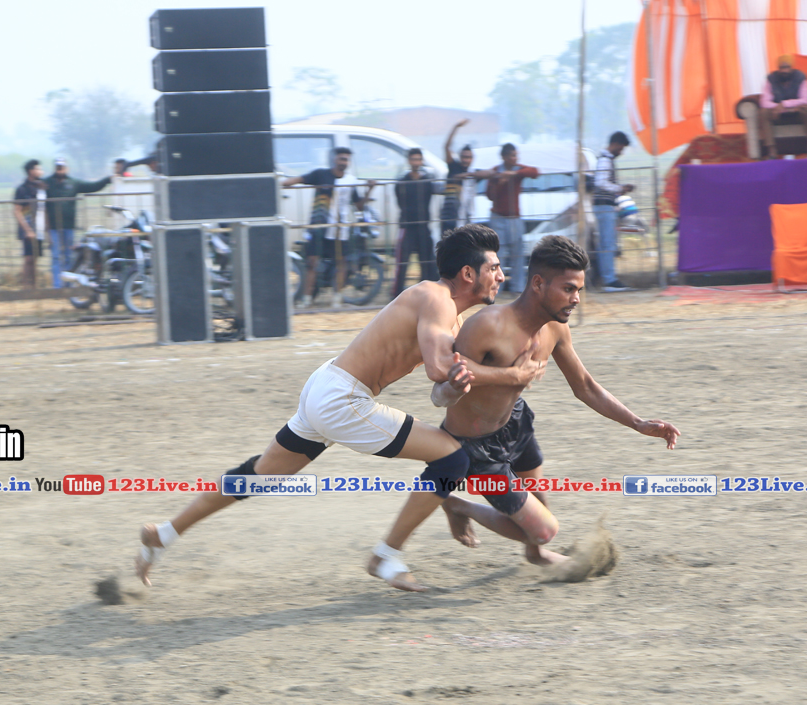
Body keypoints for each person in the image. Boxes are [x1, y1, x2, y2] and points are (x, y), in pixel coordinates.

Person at [135, 224, 547, 588]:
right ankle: (386, 556)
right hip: (342, 398)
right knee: (452, 460)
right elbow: (439, 369)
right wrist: (514, 375)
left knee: (258, 475)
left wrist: (473, 381)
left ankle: (164, 534)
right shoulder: (437, 298)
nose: (501, 276)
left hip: (327, 386)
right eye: (495, 267)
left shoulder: (449, 315)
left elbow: (444, 384)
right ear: (468, 274)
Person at [371, 235, 681, 590]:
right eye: (568, 289)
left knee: (538, 518)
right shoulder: (488, 325)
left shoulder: (555, 328)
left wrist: (638, 423)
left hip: (516, 425)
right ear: (538, 283)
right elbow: (440, 392)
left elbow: (585, 386)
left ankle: (534, 554)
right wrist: (465, 384)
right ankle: (459, 506)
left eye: (579, 290)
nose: (576, 299)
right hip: (476, 449)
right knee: (544, 529)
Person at [281, 147, 375, 308]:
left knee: (341, 263)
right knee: (312, 263)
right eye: (341, 158)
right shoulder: (320, 174)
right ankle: (307, 299)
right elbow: (298, 180)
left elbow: (358, 206)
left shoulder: (350, 181)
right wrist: (279, 184)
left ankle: (337, 299)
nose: (343, 162)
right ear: (334, 159)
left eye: (346, 159)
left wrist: (369, 190)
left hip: (339, 228)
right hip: (319, 226)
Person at [43, 158, 112, 289]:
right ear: (55, 168)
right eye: (58, 167)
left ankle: (68, 285)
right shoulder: (47, 183)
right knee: (56, 256)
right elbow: (36, 190)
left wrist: (107, 180)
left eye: (62, 167)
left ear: (66, 169)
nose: (60, 170)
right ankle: (57, 287)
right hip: (53, 227)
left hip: (69, 226)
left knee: (69, 256)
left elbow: (93, 186)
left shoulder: (74, 183)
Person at [486, 144, 539, 293]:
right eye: (512, 156)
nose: (515, 158)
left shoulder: (518, 170)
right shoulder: (496, 172)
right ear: (504, 157)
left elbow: (535, 172)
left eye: (515, 155)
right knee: (499, 255)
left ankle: (518, 288)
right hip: (498, 217)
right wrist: (500, 182)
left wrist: (513, 174)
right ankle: (497, 288)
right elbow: (490, 195)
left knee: (518, 254)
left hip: (515, 218)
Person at [393, 148, 436, 295]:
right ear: (409, 161)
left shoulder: (427, 181)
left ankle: (426, 293)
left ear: (421, 161)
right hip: (407, 226)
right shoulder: (402, 182)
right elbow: (400, 201)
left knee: (427, 260)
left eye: (418, 159)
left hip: (423, 225)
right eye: (413, 159)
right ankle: (397, 294)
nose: (416, 162)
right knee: (402, 261)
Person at [592, 131, 631, 292]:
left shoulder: (605, 159)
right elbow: (600, 182)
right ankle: (610, 280)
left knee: (606, 243)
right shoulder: (605, 160)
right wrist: (619, 188)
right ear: (615, 144)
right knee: (607, 243)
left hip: (604, 205)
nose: (621, 152)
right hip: (604, 206)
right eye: (621, 148)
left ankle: (607, 278)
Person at [441, 119, 491, 235]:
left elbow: (490, 173)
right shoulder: (453, 166)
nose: (465, 160)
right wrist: (456, 127)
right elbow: (446, 147)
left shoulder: (473, 173)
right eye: (463, 157)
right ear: (460, 157)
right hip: (449, 215)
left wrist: (467, 175)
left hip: (465, 217)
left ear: (472, 159)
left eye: (468, 157)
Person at [760, 55, 807, 157]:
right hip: (777, 113)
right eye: (782, 68)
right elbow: (764, 102)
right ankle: (771, 149)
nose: (784, 70)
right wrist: (778, 108)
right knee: (763, 112)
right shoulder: (771, 78)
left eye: (787, 67)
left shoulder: (801, 77)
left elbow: (806, 100)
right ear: (778, 68)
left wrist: (785, 104)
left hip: (796, 112)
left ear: (792, 68)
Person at [12, 159, 46, 290]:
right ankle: (26, 286)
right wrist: (27, 230)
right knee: (28, 258)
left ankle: (34, 286)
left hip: (40, 227)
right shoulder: (22, 189)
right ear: (31, 171)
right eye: (38, 169)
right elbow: (17, 211)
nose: (41, 171)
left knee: (35, 257)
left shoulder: (41, 188)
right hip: (28, 227)